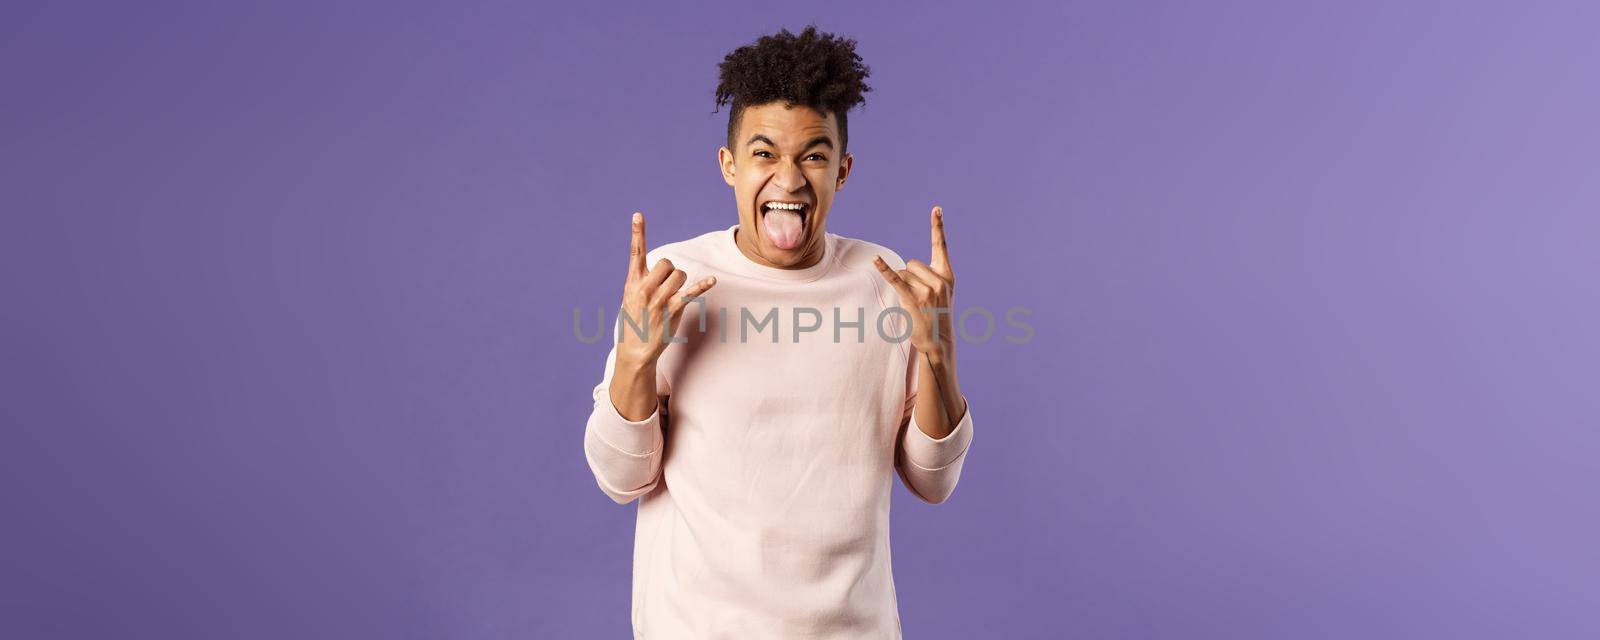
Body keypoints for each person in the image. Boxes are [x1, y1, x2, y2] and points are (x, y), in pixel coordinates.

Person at [582, 25, 975, 639]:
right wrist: (634, 360)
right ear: (729, 165)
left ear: (841, 171)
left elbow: (933, 481)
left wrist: (938, 356)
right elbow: (620, 478)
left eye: (813, 156)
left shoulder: (888, 283)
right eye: (764, 154)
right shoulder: (675, 278)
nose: (788, 180)